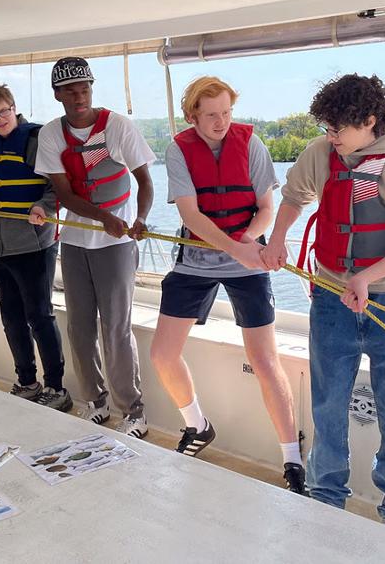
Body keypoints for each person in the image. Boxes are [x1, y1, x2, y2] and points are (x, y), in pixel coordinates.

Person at [261, 74, 385, 533]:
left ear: (370, 122)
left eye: (339, 130)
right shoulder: (322, 154)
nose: (332, 139)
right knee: (327, 404)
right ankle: (325, 498)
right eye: (327, 129)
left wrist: (366, 277)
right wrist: (279, 238)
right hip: (331, 300)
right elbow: (294, 196)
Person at [150, 76, 306, 494]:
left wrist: (250, 240)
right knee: (163, 354)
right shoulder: (178, 150)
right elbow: (192, 215)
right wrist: (235, 250)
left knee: (265, 360)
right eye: (211, 115)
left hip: (247, 258)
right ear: (192, 116)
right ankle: (197, 425)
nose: (221, 122)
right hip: (196, 261)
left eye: (226, 113)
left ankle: (292, 460)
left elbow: (267, 206)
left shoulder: (251, 144)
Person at [30, 57, 154, 438]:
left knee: (115, 326)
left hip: (115, 245)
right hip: (75, 241)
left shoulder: (119, 126)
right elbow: (64, 195)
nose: (79, 96)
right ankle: (95, 402)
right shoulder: (51, 135)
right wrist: (103, 218)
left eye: (84, 88)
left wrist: (140, 218)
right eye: (70, 90)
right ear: (58, 95)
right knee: (80, 327)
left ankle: (133, 411)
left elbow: (144, 182)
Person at [0, 82, 71, 411]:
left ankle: (57, 388)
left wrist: (43, 208)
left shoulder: (37, 138)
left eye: (4, 111)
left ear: (14, 106)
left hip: (34, 245)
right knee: (12, 318)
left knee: (40, 316)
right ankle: (27, 382)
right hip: (1, 245)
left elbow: (57, 186)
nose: (0, 118)